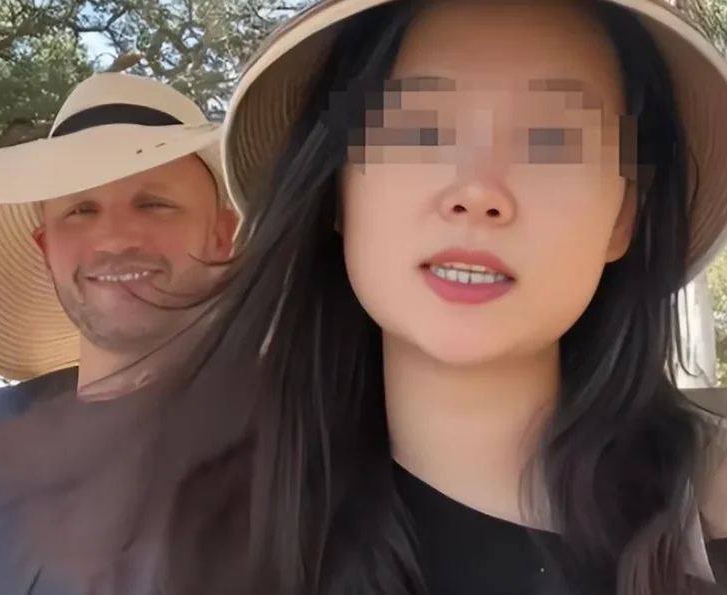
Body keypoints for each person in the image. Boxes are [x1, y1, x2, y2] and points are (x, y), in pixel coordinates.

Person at [139, 0, 727, 592]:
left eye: (551, 140)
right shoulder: (211, 543)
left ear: (624, 216)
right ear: (338, 189)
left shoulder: (710, 523)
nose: (477, 191)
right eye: (420, 132)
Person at [0, 72, 237, 593]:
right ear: (45, 248)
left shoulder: (293, 455)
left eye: (154, 203)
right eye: (80, 210)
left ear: (222, 236)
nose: (113, 238)